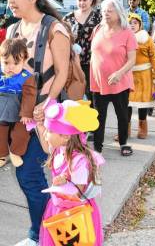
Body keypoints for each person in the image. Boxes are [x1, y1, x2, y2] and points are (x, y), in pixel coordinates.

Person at [6, 0, 71, 246]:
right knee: (26, 176)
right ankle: (46, 232)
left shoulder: (54, 29)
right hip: (16, 114)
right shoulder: (12, 29)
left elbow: (63, 72)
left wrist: (47, 103)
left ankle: (40, 234)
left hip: (44, 115)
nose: (11, 0)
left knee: (30, 175)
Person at [38, 98, 104, 246]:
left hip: (75, 214)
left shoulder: (79, 161)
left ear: (65, 136)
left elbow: (78, 194)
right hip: (58, 208)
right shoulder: (58, 150)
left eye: (50, 131)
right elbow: (45, 145)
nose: (45, 135)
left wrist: (65, 181)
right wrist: (40, 125)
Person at [90, 0, 137, 156]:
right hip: (99, 82)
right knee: (98, 117)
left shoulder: (127, 33)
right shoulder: (97, 29)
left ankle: (123, 143)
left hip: (120, 82)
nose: (105, 13)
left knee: (122, 115)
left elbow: (132, 60)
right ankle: (97, 148)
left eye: (109, 11)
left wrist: (119, 73)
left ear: (118, 13)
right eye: (104, 10)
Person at [0, 39, 37, 168]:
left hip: (19, 112)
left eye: (16, 63)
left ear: (24, 61)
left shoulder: (26, 77)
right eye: (6, 62)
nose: (10, 67)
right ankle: (2, 154)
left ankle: (15, 152)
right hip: (2, 110)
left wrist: (26, 113)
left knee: (21, 133)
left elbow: (29, 95)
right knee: (1, 133)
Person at [128, 13, 155, 139]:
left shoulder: (146, 38)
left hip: (144, 75)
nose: (132, 25)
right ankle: (125, 130)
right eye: (130, 23)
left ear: (140, 25)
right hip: (129, 74)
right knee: (127, 103)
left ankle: (142, 129)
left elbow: (153, 57)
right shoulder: (124, 37)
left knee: (142, 104)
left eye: (135, 23)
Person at [64, 0, 101, 101]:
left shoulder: (99, 17)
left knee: (91, 93)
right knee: (74, 91)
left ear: (91, 0)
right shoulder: (68, 17)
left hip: (92, 62)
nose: (82, 3)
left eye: (85, 0)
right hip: (73, 61)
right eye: (79, 0)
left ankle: (91, 117)